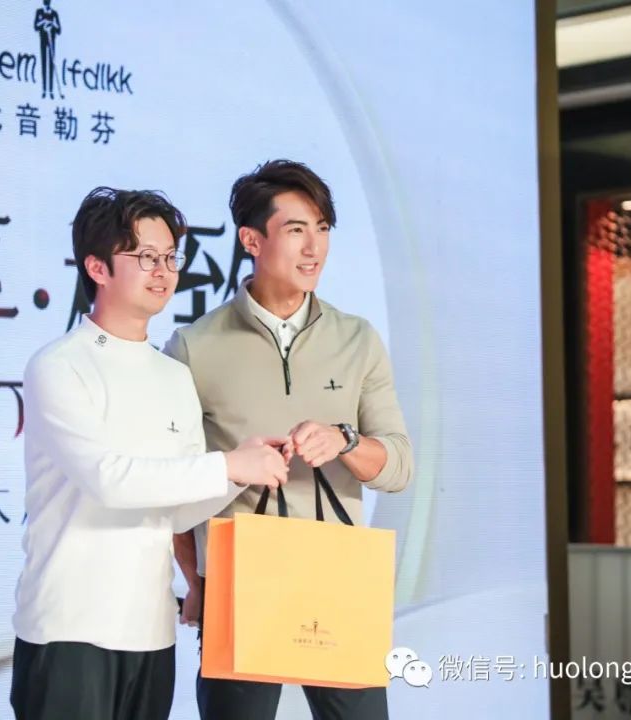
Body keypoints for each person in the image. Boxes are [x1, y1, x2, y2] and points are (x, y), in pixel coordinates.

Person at [11, 186, 290, 720]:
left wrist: (241, 472)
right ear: (97, 267)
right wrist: (228, 465)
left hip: (150, 631)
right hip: (68, 628)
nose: (162, 271)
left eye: (169, 257)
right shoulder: (58, 366)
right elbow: (108, 481)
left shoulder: (174, 374)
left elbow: (178, 514)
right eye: (144, 257)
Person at [165, 160, 415, 720]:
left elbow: (399, 466)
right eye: (296, 229)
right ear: (251, 240)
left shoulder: (358, 339)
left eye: (322, 229)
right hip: (238, 585)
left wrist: (345, 440)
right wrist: (196, 582)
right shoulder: (194, 347)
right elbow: (176, 489)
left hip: (338, 578)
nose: (314, 248)